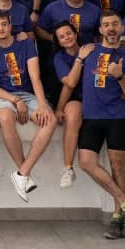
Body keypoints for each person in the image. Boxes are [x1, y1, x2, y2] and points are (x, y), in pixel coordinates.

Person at [69, 11, 125, 239]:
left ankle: (118, 217)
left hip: (117, 117)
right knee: (86, 162)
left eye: (115, 24)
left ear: (122, 28)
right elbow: (71, 80)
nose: (111, 28)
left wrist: (120, 77)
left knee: (117, 166)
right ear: (100, 29)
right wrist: (79, 58)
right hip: (92, 116)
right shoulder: (88, 51)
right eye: (106, 25)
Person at [0, 11, 57, 202]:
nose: (1, 28)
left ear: (10, 26)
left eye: (4, 24)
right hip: (3, 95)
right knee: (6, 118)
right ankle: (24, 175)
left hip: (27, 93)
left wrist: (42, 105)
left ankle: (22, 172)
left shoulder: (25, 44)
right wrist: (15, 101)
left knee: (50, 120)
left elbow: (35, 77)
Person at [52, 21, 84, 188]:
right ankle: (68, 168)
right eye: (62, 37)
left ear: (75, 34)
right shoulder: (59, 58)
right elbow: (70, 83)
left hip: (96, 96)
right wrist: (80, 59)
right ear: (58, 42)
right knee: (71, 116)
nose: (67, 38)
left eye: (69, 33)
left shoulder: (90, 49)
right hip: (75, 97)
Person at [35, 0, 101, 45]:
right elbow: (39, 29)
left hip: (87, 50)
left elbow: (100, 35)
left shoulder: (95, 11)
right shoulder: (51, 8)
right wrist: (54, 39)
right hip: (59, 51)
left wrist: (95, 47)